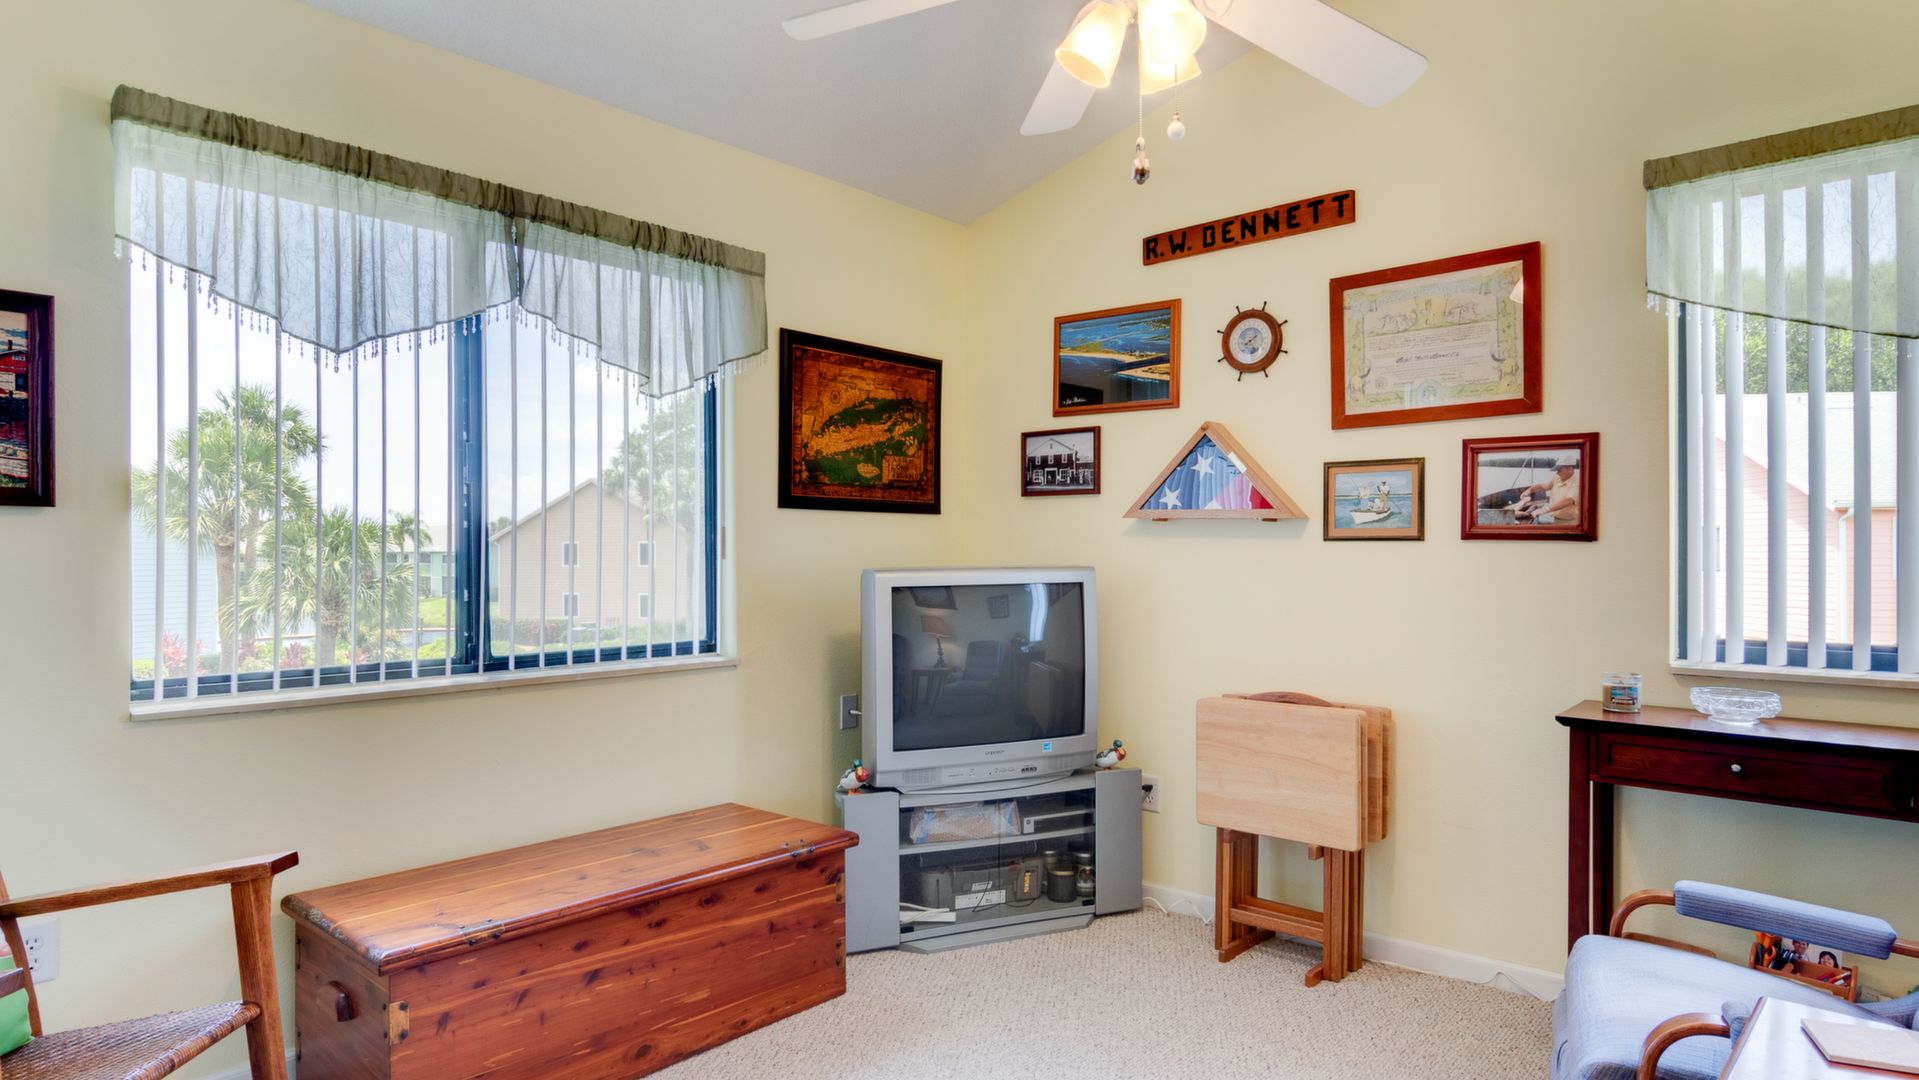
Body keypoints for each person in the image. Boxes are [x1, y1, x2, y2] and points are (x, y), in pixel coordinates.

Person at [1514, 456, 1580, 524]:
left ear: (1570, 469)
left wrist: (1546, 509)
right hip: (1556, 519)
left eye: (1559, 471)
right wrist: (1529, 491)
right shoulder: (1557, 478)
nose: (1557, 473)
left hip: (1569, 522)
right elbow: (1543, 486)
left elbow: (1569, 500)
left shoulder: (1577, 483)